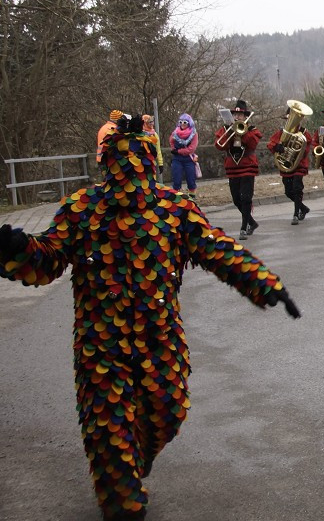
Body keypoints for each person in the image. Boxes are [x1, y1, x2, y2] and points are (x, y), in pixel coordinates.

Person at [0, 113, 299, 521]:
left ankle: (125, 464)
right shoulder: (82, 208)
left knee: (166, 409)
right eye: (120, 159)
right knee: (108, 424)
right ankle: (121, 487)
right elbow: (48, 259)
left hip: (160, 339)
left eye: (137, 158)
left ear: (151, 160)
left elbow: (218, 251)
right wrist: (18, 250)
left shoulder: (175, 208)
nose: (128, 170)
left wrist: (265, 284)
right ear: (107, 162)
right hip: (100, 343)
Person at [214, 100, 262, 240]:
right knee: (236, 199)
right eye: (235, 114)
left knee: (246, 198)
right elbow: (219, 145)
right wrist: (230, 131)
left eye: (240, 115)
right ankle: (251, 223)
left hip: (247, 166)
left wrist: (243, 132)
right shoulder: (225, 128)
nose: (237, 117)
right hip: (232, 167)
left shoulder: (252, 129)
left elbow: (253, 144)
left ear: (244, 116)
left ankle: (244, 227)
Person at [267, 106, 314, 225]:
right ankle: (303, 208)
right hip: (286, 166)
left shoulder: (304, 133)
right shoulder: (281, 132)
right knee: (288, 192)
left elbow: (306, 149)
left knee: (297, 188)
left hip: (299, 165)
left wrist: (294, 151)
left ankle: (296, 213)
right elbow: (270, 144)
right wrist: (277, 147)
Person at [169, 113, 199, 195]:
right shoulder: (175, 132)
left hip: (189, 159)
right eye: (181, 122)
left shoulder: (194, 134)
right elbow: (171, 141)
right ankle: (177, 198)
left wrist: (178, 151)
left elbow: (191, 149)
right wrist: (173, 149)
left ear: (189, 123)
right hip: (177, 159)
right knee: (176, 179)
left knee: (191, 180)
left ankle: (192, 198)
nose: (182, 124)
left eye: (185, 122)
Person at [141, 114, 164, 180]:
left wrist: (160, 163)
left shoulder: (154, 134)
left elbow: (158, 149)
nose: (151, 124)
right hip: (141, 160)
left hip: (151, 160)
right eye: (149, 122)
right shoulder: (140, 133)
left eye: (152, 122)